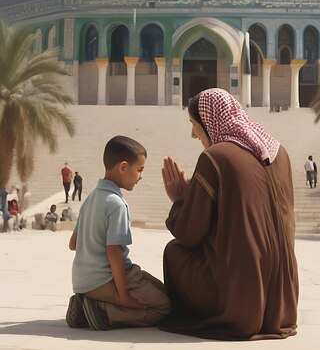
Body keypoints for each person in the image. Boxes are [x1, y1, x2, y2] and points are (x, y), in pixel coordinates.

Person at [161, 88, 298, 340]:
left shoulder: (215, 157)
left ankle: (205, 313)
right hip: (282, 305)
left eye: (193, 124)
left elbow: (189, 235)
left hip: (239, 300)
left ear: (208, 120)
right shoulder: (280, 154)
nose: (193, 134)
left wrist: (180, 199)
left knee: (174, 252)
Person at [66, 135, 171, 330]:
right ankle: (102, 311)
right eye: (139, 170)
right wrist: (123, 296)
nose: (141, 176)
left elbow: (73, 244)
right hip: (105, 281)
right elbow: (113, 251)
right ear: (123, 167)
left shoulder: (90, 199)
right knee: (164, 306)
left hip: (82, 281)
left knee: (162, 291)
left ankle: (88, 303)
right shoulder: (116, 204)